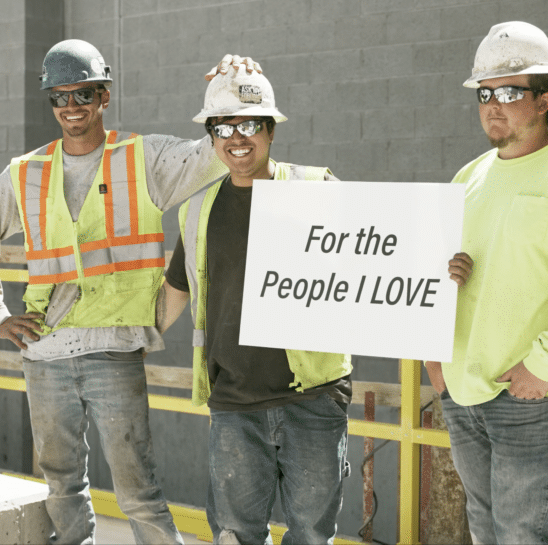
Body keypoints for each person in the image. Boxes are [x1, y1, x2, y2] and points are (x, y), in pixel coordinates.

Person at [0, 39, 260, 545]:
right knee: (60, 483)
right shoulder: (27, 173)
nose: (71, 107)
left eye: (83, 94)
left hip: (114, 350)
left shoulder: (143, 158)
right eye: (60, 97)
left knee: (138, 488)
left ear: (104, 96)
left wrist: (229, 94)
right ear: (50, 101)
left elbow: (218, 154)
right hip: (46, 352)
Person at [157, 66, 473, 545]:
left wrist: (441, 265)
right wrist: (134, 340)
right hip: (234, 405)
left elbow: (380, 250)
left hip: (313, 400)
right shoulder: (197, 210)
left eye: (249, 125)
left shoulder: (314, 188)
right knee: (235, 534)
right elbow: (177, 289)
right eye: (222, 127)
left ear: (271, 129)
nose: (236, 138)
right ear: (211, 136)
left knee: (310, 534)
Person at [424, 21, 548, 544]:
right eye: (485, 93)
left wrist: (541, 365)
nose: (493, 104)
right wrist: (433, 358)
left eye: (510, 92)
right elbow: (432, 275)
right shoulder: (467, 179)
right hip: (464, 388)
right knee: (483, 526)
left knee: (522, 532)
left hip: (533, 394)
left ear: (544, 100)